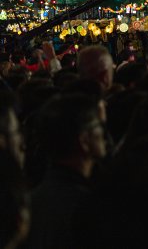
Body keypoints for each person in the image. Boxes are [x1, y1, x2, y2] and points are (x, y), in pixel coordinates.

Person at [28, 94, 107, 249]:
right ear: (84, 140)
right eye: (99, 126)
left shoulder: (32, 200)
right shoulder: (89, 207)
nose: (104, 134)